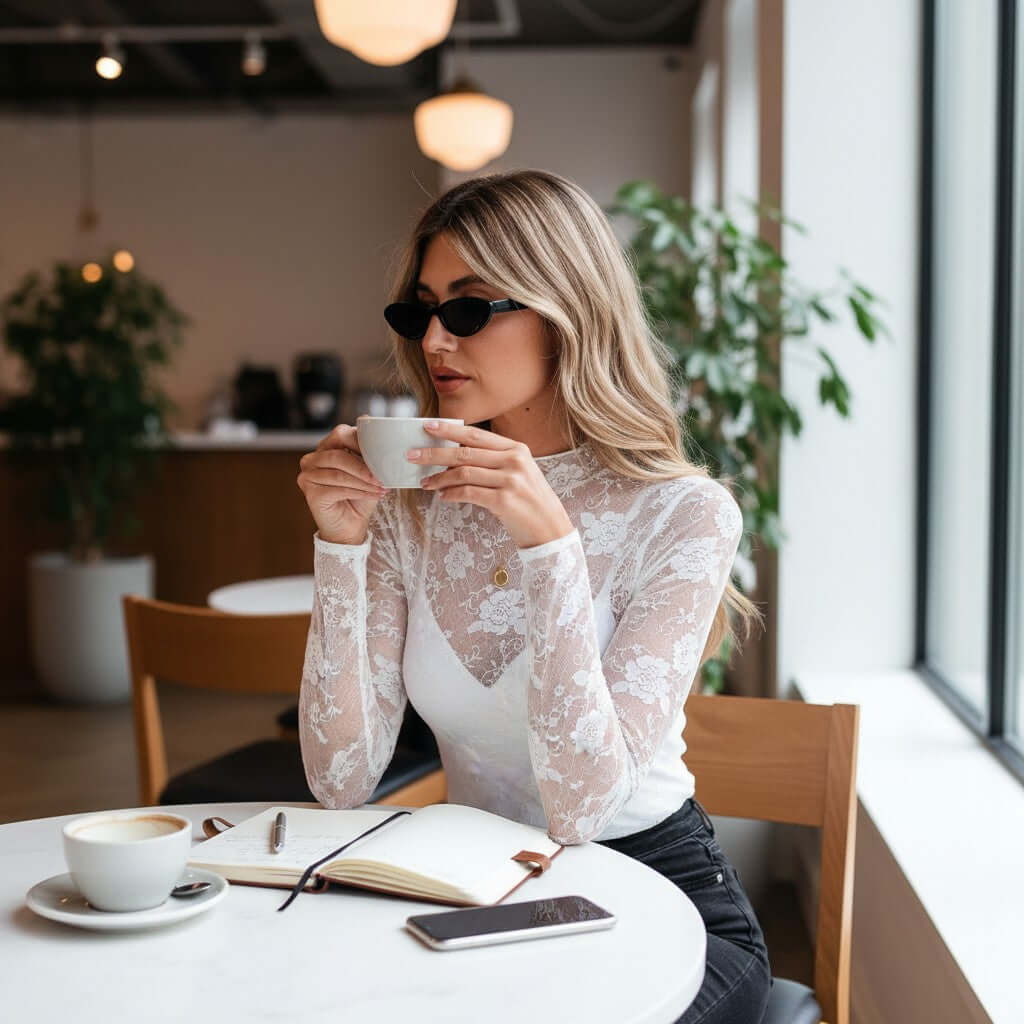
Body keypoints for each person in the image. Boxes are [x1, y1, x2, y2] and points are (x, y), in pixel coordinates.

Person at [296, 169, 771, 1023]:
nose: (437, 340)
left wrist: (549, 544)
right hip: (474, 890)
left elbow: (584, 809)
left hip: (658, 896)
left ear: (568, 312)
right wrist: (341, 545)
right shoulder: (413, 506)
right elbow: (339, 781)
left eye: (471, 309)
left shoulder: (687, 513)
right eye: (421, 310)